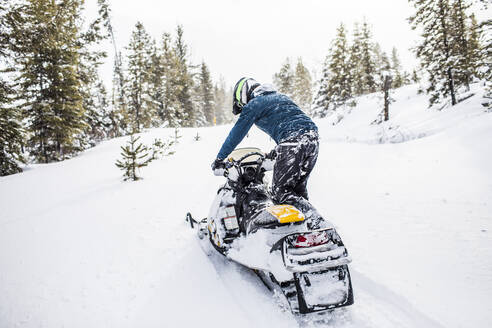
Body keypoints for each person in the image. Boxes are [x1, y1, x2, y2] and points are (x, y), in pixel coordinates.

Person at [212, 77, 322, 227]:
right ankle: (306, 230)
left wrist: (220, 159)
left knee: (280, 192)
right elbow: (291, 123)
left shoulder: (255, 104)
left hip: (292, 142)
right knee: (297, 190)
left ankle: (315, 220)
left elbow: (236, 133)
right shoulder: (280, 97)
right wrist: (277, 151)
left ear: (244, 94)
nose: (243, 106)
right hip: (312, 139)